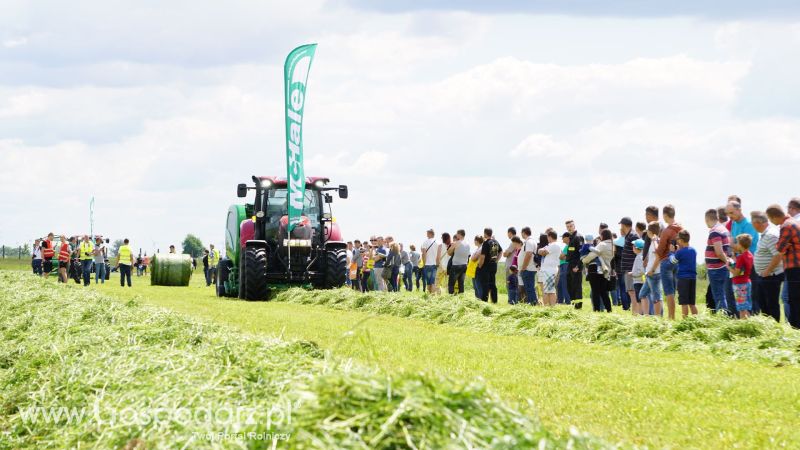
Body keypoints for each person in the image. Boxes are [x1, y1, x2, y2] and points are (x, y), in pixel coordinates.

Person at [767, 204, 800, 328]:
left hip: (795, 267)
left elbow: (780, 248)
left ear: (774, 217)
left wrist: (782, 246)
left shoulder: (786, 226)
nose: (771, 222)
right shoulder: (794, 222)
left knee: (794, 299)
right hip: (796, 266)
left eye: (770, 219)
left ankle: (796, 328)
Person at [726, 201, 760, 314]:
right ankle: (741, 319)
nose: (730, 216)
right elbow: (732, 242)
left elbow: (745, 246)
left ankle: (751, 321)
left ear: (739, 210)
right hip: (737, 262)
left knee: (751, 298)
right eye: (728, 213)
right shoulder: (734, 224)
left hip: (749, 265)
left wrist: (733, 248)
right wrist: (732, 255)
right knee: (738, 298)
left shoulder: (749, 225)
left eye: (732, 212)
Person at [650, 205, 683, 320]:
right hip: (678, 261)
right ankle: (678, 316)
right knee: (675, 291)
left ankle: (671, 317)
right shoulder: (681, 229)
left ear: (665, 215)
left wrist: (655, 242)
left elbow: (660, 250)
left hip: (666, 262)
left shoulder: (666, 231)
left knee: (669, 292)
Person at [752, 211, 784, 322]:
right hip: (764, 276)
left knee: (771, 305)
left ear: (757, 223)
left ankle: (774, 329)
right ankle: (767, 328)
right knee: (763, 304)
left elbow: (778, 255)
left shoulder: (771, 235)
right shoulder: (765, 235)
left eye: (753, 223)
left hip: (771, 275)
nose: (752, 226)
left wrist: (767, 271)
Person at [704, 208, 732, 315]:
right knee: (723, 294)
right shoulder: (724, 229)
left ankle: (723, 318)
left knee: (719, 296)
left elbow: (719, 252)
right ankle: (726, 316)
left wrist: (727, 261)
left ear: (707, 219)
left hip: (717, 269)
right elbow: (728, 248)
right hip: (723, 268)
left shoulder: (714, 232)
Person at [582, 228, 614, 312]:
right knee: (603, 291)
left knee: (595, 291)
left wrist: (583, 260)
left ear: (602, 236)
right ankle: (609, 309)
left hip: (595, 269)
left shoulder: (602, 244)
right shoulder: (612, 245)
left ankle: (596, 310)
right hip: (605, 270)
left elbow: (592, 255)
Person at [670, 230, 697, 318]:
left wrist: (672, 252)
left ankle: (685, 323)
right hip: (692, 278)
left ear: (681, 240)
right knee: (692, 303)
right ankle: (697, 320)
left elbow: (673, 261)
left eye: (678, 239)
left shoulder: (680, 252)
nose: (677, 241)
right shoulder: (693, 250)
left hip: (683, 279)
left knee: (684, 302)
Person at [640, 222, 663, 316]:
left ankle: (658, 318)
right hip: (649, 273)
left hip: (654, 273)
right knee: (642, 294)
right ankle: (646, 315)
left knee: (656, 297)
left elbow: (658, 255)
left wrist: (652, 270)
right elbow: (653, 255)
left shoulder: (655, 241)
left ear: (650, 231)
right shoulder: (654, 241)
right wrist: (646, 260)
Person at [729, 234, 754, 319]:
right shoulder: (750, 255)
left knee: (741, 308)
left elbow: (737, 272)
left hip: (739, 285)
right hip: (747, 282)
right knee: (745, 306)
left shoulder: (741, 257)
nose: (736, 245)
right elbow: (742, 271)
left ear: (741, 244)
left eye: (737, 243)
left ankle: (743, 324)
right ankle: (750, 323)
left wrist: (728, 267)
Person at [619, 217, 638, 313]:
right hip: (628, 268)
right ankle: (635, 312)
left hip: (631, 268)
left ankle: (635, 313)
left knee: (632, 292)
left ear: (623, 225)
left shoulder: (633, 236)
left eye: (621, 225)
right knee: (631, 292)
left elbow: (638, 252)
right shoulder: (628, 235)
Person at [564, 220, 585, 309]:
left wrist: (577, 266)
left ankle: (578, 306)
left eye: (571, 226)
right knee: (570, 286)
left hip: (576, 266)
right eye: (568, 227)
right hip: (570, 265)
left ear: (574, 226)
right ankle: (573, 303)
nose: (569, 228)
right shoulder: (571, 237)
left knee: (577, 286)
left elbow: (582, 253)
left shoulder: (578, 237)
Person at [478, 228, 501, 303]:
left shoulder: (486, 243)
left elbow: (482, 256)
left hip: (486, 266)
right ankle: (494, 300)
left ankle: (484, 301)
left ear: (485, 234)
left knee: (485, 284)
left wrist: (480, 266)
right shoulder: (496, 242)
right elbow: (501, 252)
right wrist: (496, 260)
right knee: (492, 284)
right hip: (493, 265)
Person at [537, 230, 561, 306]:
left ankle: (548, 307)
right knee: (549, 290)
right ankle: (550, 306)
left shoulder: (554, 245)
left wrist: (541, 250)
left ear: (549, 237)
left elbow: (542, 252)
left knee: (548, 291)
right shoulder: (551, 245)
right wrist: (541, 250)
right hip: (548, 270)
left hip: (550, 271)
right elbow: (540, 251)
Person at [519, 227, 539, 305]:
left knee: (529, 288)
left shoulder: (529, 242)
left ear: (524, 232)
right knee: (529, 288)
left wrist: (523, 267)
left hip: (528, 269)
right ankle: (532, 302)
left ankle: (533, 303)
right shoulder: (529, 241)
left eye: (521, 233)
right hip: (528, 268)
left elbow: (528, 254)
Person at [447, 230, 470, 295]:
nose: (456, 235)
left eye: (457, 234)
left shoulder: (456, 243)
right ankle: (461, 297)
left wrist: (452, 246)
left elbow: (449, 253)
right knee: (461, 283)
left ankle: (451, 297)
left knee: (451, 284)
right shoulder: (468, 244)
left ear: (459, 234)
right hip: (464, 265)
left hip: (456, 266)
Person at [631, 239, 646, 315]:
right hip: (639, 281)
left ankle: (640, 313)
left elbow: (642, 271)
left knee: (639, 299)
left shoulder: (639, 257)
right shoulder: (639, 256)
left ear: (637, 248)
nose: (632, 247)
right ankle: (641, 313)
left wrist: (633, 274)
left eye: (633, 246)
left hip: (638, 281)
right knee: (639, 299)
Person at [421, 229, 439, 294]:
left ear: (430, 234)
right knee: (433, 281)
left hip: (427, 264)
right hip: (434, 265)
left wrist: (424, 263)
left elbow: (423, 254)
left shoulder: (425, 242)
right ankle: (433, 296)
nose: (426, 235)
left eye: (427, 233)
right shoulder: (438, 242)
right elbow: (439, 255)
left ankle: (429, 296)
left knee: (428, 282)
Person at [557, 232, 571, 304]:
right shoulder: (566, 246)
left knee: (564, 284)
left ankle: (568, 301)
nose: (562, 239)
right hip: (562, 266)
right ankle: (560, 301)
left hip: (565, 266)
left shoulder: (569, 246)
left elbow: (561, 256)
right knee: (559, 285)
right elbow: (562, 256)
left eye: (563, 237)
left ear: (567, 238)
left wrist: (562, 256)